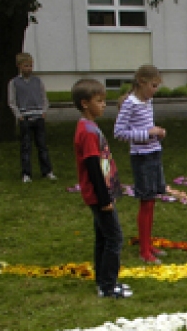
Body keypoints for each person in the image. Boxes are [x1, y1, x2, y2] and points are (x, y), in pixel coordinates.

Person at [71, 78, 130, 299]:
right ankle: (108, 285)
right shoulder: (86, 131)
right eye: (100, 101)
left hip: (100, 193)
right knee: (114, 238)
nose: (104, 105)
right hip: (98, 195)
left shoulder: (89, 127)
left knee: (103, 238)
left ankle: (104, 280)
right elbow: (93, 167)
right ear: (85, 103)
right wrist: (105, 198)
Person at [114, 64, 167, 265]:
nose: (155, 90)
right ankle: (144, 250)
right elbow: (119, 132)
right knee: (146, 201)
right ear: (142, 82)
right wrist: (148, 134)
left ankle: (148, 243)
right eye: (153, 86)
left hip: (154, 153)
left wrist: (158, 134)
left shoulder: (147, 101)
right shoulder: (130, 103)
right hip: (141, 157)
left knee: (152, 200)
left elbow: (147, 126)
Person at [8, 53, 55, 183]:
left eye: (30, 66)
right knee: (26, 146)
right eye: (26, 66)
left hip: (38, 116)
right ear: (19, 66)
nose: (29, 68)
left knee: (42, 145)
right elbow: (12, 101)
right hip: (25, 118)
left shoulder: (38, 81)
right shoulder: (14, 83)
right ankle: (26, 173)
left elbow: (44, 97)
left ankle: (47, 171)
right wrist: (19, 115)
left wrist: (44, 111)